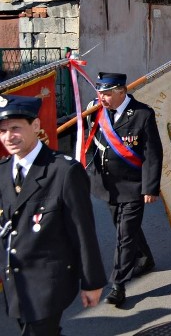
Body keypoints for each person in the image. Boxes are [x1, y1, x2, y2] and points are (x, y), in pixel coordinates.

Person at [0, 94, 106, 335]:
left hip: (48, 282)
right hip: (15, 282)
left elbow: (83, 231)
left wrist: (92, 282)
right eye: (3, 130)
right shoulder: (3, 171)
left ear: (35, 126)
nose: (8, 137)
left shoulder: (63, 171)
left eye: (15, 128)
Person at [85, 72, 163, 307]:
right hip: (108, 186)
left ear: (122, 91)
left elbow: (152, 154)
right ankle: (145, 258)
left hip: (133, 185)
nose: (103, 98)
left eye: (107, 93)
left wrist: (151, 187)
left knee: (124, 235)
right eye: (100, 93)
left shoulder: (142, 114)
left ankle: (118, 283)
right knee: (123, 226)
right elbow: (90, 145)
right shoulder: (96, 112)